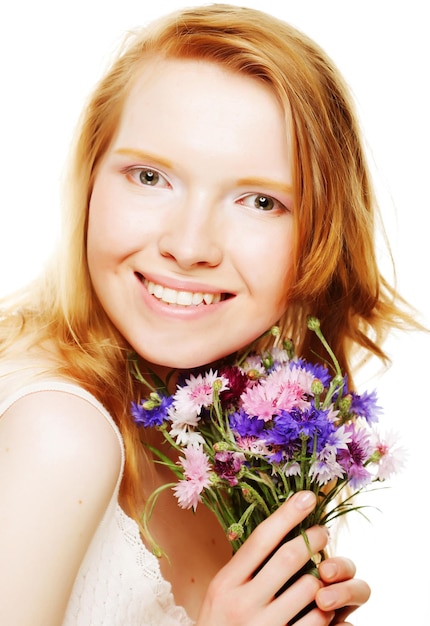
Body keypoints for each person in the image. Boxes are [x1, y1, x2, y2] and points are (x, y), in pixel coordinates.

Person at [0, 3, 417, 625]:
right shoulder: (59, 435)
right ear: (89, 181)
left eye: (259, 201)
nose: (190, 246)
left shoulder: (235, 437)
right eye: (149, 176)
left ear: (321, 235)